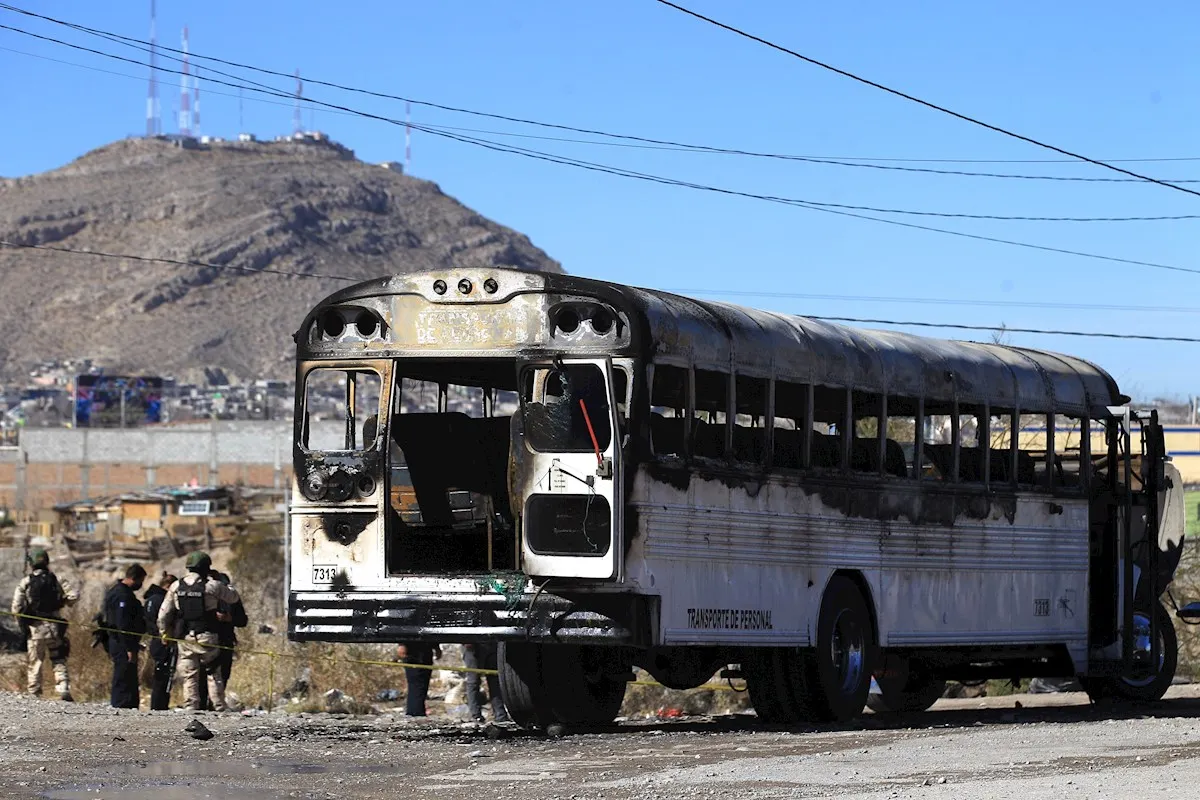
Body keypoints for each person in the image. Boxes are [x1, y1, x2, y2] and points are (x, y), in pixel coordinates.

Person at [157, 551, 241, 712]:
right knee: (213, 671)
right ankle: (219, 706)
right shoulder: (212, 586)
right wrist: (221, 580)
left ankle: (191, 706)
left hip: (185, 637)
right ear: (206, 568)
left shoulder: (176, 586)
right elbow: (234, 597)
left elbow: (163, 614)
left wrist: (164, 633)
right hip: (207, 635)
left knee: (189, 674)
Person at [10, 547, 78, 701]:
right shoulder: (56, 578)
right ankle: (63, 688)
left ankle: (34, 692)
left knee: (35, 661)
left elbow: (16, 607)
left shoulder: (26, 581)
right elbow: (74, 595)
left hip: (35, 628)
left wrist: (22, 621)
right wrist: (63, 602)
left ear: (31, 563)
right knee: (58, 657)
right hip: (54, 626)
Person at [197, 570, 247, 711]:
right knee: (202, 677)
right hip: (205, 641)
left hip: (225, 641)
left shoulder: (231, 597)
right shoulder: (202, 595)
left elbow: (243, 620)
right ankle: (200, 708)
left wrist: (229, 618)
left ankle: (214, 708)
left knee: (222, 676)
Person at [103, 564, 147, 709]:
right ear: (134, 578)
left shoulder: (116, 591)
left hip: (118, 640)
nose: (140, 585)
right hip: (121, 642)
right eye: (140, 581)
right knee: (123, 674)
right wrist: (129, 647)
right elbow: (123, 624)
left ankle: (128, 704)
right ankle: (121, 704)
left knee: (127, 673)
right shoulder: (122, 595)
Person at [142, 572, 177, 711]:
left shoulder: (150, 599)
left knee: (159, 674)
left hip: (154, 640)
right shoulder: (162, 600)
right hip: (163, 640)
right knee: (162, 675)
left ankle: (158, 705)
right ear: (168, 586)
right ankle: (159, 706)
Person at [463, 642, 510, 723]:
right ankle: (476, 715)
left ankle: (500, 715)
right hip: (473, 645)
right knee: (473, 681)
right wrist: (466, 640)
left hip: (491, 643)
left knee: (494, 681)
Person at [397, 641, 441, 717]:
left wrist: (437, 646)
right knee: (415, 684)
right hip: (412, 651)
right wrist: (402, 643)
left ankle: (418, 712)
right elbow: (404, 629)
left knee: (423, 685)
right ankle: (414, 713)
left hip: (426, 650)